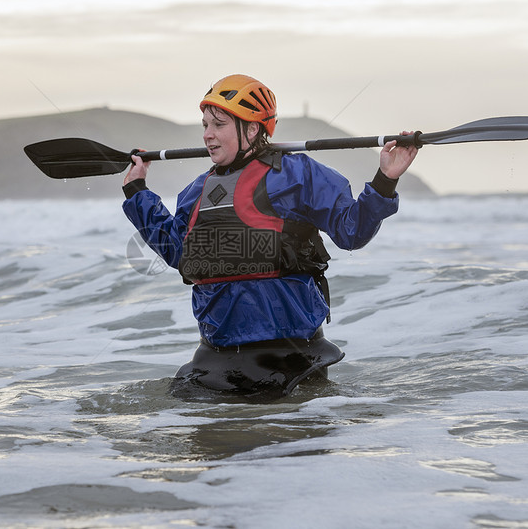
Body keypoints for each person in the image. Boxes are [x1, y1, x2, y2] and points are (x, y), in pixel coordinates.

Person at [121, 74, 417, 398]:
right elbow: (178, 252)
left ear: (251, 128)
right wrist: (138, 192)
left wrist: (385, 179)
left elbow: (352, 232)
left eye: (218, 124)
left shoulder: (296, 175)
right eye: (204, 125)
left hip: (293, 361)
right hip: (215, 362)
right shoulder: (195, 193)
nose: (207, 135)